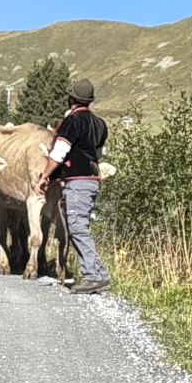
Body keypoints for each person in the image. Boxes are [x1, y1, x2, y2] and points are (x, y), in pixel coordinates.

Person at [42, 78, 111, 294]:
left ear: (71, 98)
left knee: (77, 227)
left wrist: (45, 175)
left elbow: (59, 153)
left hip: (77, 181)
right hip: (92, 179)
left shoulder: (72, 121)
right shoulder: (100, 123)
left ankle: (93, 276)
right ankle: (99, 274)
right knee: (81, 226)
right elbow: (99, 153)